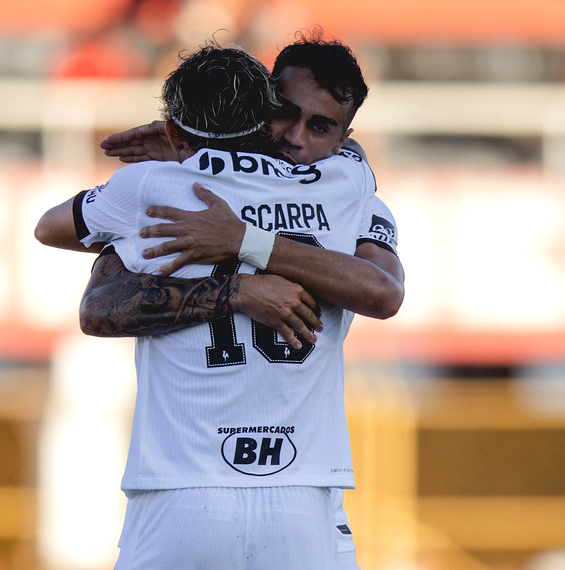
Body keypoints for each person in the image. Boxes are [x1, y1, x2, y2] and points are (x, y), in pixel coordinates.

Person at [37, 31, 403, 570]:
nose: (297, 137)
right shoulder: (346, 184)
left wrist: (187, 171)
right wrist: (238, 286)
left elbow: (51, 231)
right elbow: (357, 170)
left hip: (181, 491)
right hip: (301, 496)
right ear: (261, 106)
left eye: (319, 126)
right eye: (284, 115)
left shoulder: (154, 185)